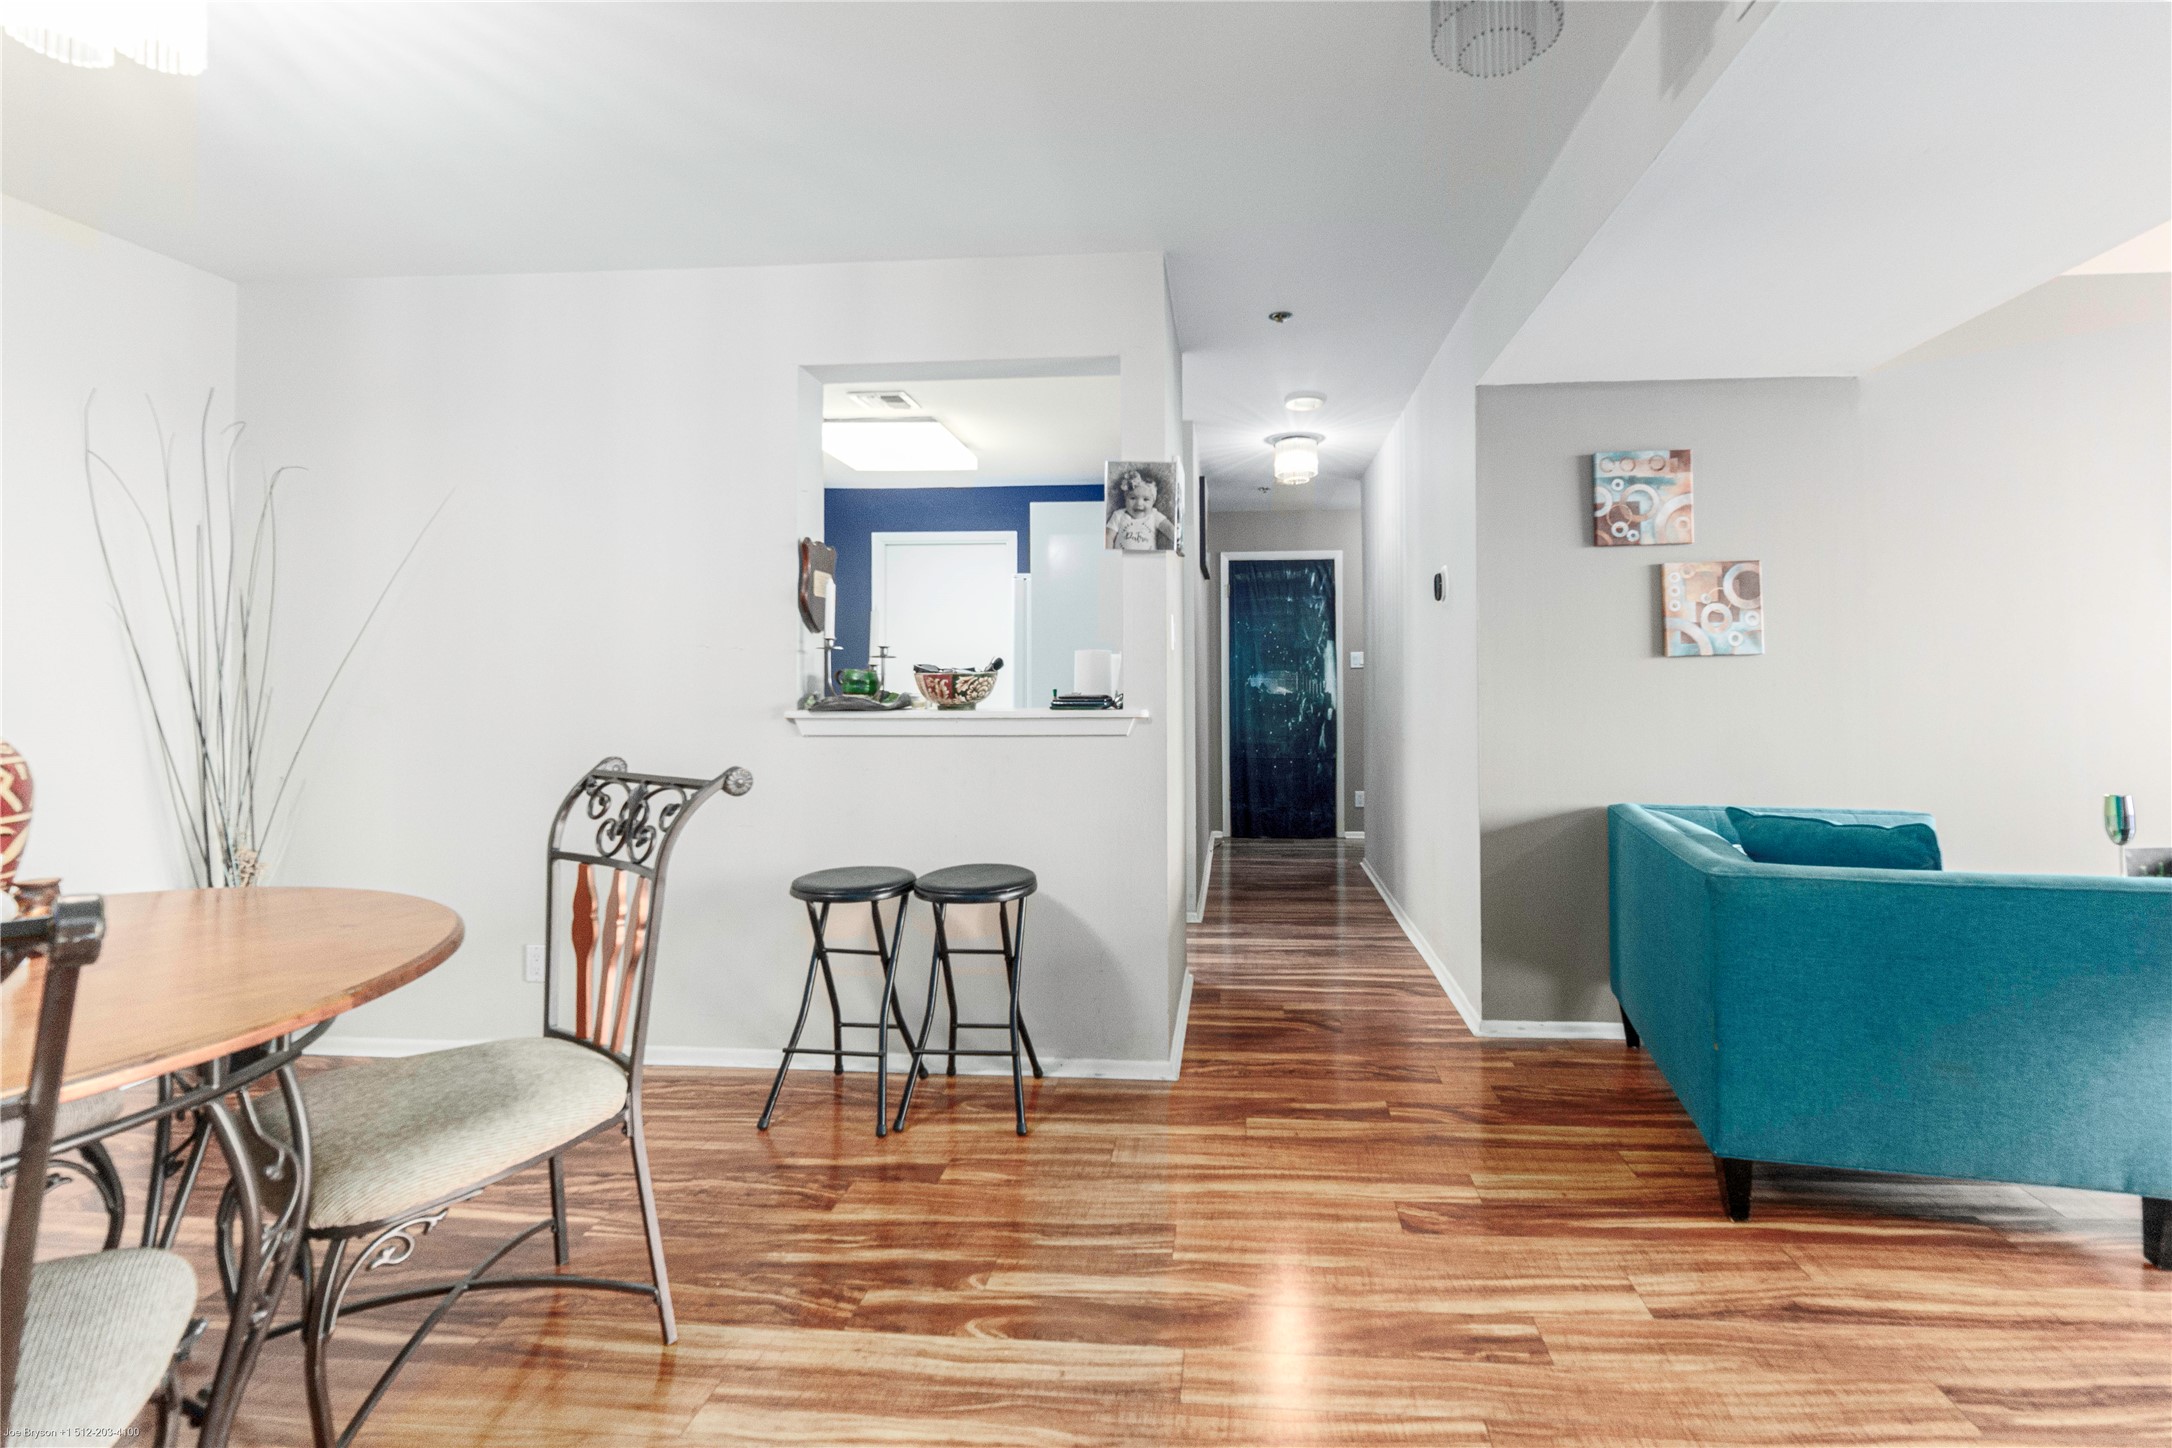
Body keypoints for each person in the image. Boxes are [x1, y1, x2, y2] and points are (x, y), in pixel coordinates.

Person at [1105, 468, 1175, 552]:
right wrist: (1109, 554)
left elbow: (1168, 528)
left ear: (1153, 501)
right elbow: (1108, 536)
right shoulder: (1119, 515)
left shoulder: (1154, 515)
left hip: (1148, 559)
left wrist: (1178, 542)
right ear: (1125, 498)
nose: (1139, 503)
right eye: (1133, 498)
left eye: (1146, 499)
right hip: (1122, 559)